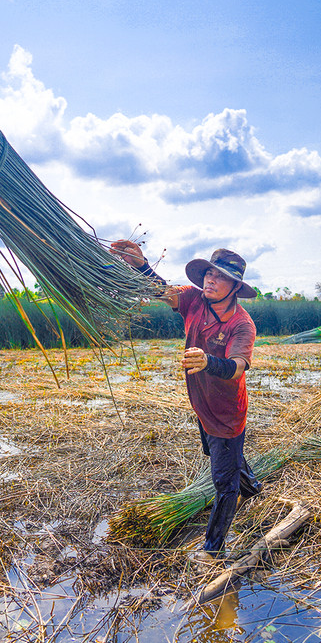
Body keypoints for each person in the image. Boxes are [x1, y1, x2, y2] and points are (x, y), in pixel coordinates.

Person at [109, 240, 259, 559]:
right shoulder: (193, 300)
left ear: (235, 287)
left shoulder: (242, 324)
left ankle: (213, 549)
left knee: (224, 484)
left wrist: (209, 362)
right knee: (222, 459)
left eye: (219, 277)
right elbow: (162, 291)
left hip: (227, 414)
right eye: (208, 273)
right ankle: (254, 489)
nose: (210, 279)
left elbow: (237, 368)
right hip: (201, 403)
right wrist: (140, 264)